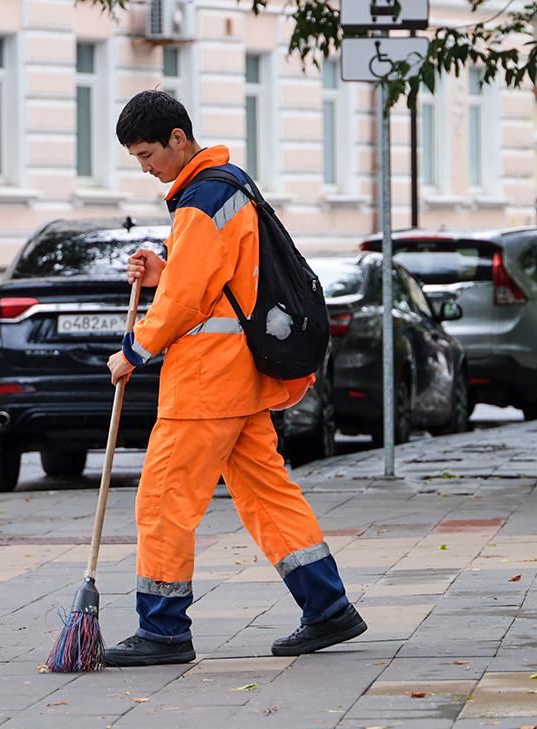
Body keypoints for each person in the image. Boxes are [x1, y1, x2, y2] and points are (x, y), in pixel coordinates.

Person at [103, 90, 365, 667]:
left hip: (205, 383)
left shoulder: (201, 199)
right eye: (137, 159)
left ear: (178, 138)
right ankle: (327, 607)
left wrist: (134, 349)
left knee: (164, 499)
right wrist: (164, 269)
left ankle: (163, 629)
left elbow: (186, 302)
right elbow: (220, 282)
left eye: (148, 154)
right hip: (241, 376)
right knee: (267, 494)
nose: (146, 168)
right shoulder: (229, 184)